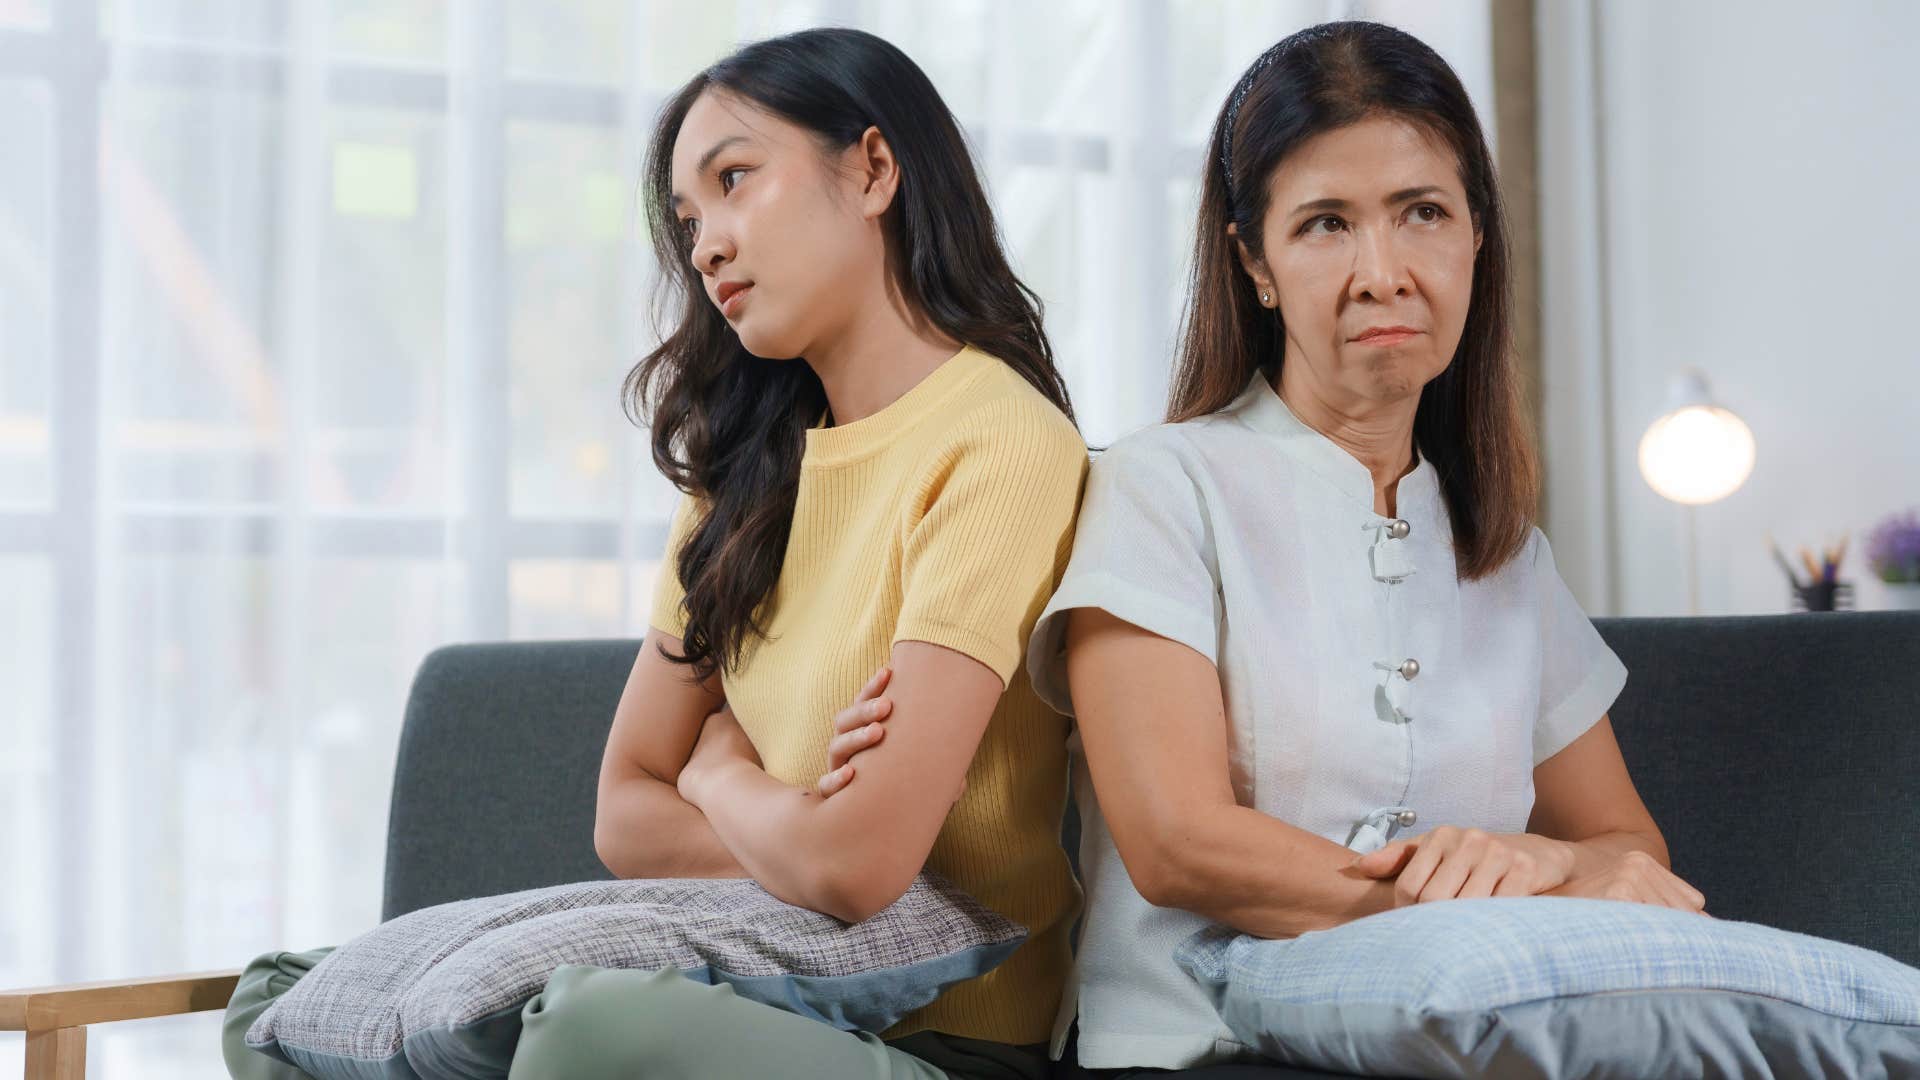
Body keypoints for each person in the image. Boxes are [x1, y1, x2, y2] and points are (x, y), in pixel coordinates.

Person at [222, 27, 1086, 1080]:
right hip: (745, 984)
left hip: (948, 1042)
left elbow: (859, 867)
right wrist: (796, 829)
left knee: (596, 1032)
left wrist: (720, 773)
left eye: (734, 180)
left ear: (871, 169)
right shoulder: (743, 477)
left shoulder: (1001, 442)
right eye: (687, 219)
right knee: (280, 999)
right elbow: (626, 811)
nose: (707, 244)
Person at [1020, 21, 1706, 1074]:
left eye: (1422, 213)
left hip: (1454, 1046)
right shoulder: (1162, 487)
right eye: (1325, 226)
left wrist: (1535, 858)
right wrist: (1500, 904)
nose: (1381, 273)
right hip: (1204, 1047)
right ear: (1255, 263)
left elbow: (1631, 849)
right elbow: (1175, 843)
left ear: (1477, 233)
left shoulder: (1508, 553)